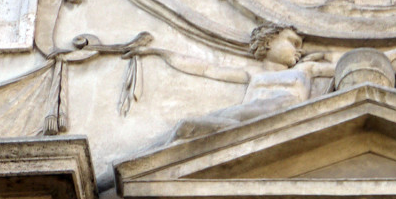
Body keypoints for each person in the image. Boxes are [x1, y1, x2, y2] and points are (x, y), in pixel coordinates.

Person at [135, 25, 335, 140]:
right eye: (293, 42)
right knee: (184, 128)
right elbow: (206, 68)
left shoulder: (305, 69)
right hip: (246, 118)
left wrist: (328, 55)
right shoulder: (252, 74)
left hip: (278, 112)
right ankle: (111, 179)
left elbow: (342, 66)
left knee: (187, 127)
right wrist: (158, 52)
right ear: (268, 42)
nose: (298, 50)